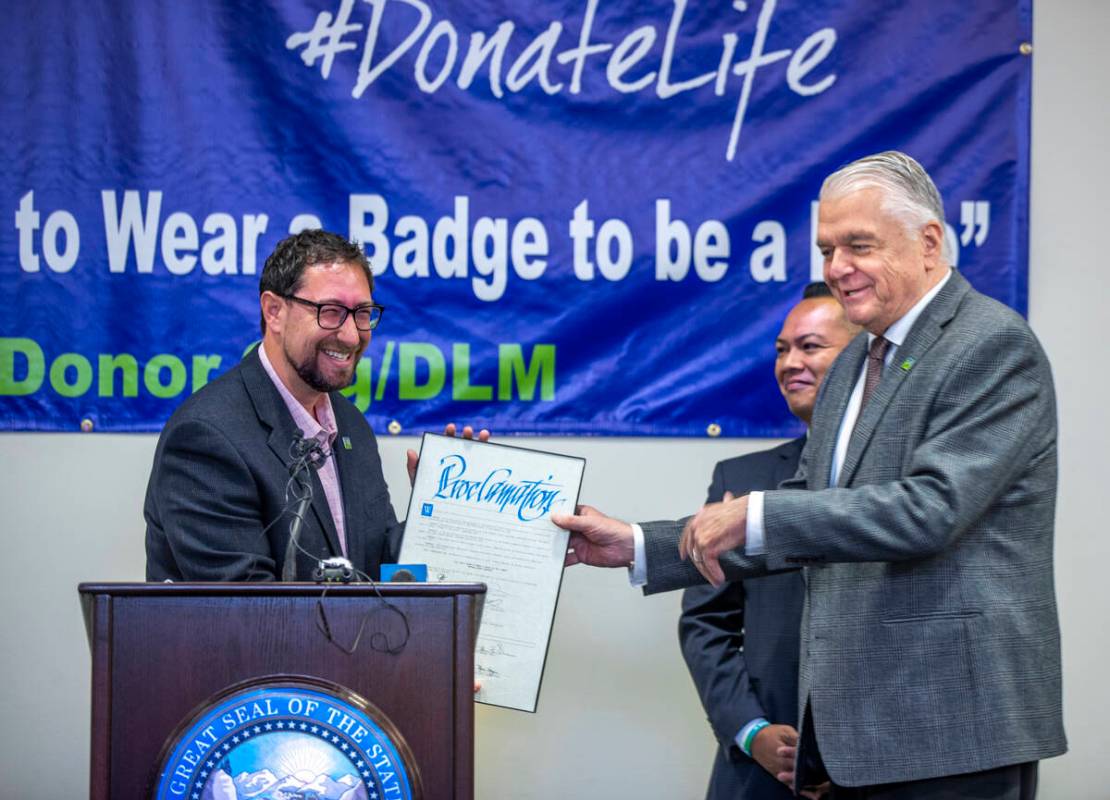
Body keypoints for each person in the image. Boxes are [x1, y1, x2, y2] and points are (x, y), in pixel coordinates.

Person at [554, 152, 1064, 798]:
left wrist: (754, 511)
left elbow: (931, 508)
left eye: (858, 245)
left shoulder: (991, 345)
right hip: (854, 740)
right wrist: (641, 544)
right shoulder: (857, 364)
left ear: (929, 242)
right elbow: (814, 508)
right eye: (826, 249)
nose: (837, 268)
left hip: (953, 735)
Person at [145, 229, 484, 581]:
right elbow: (247, 613)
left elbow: (371, 566)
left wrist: (441, 514)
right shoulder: (206, 438)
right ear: (274, 311)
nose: (352, 336)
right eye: (331, 311)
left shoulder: (348, 423)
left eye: (363, 313)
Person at [680, 282, 857, 800]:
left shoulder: (904, 486)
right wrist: (752, 731)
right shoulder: (741, 479)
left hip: (883, 770)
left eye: (810, 346)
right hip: (759, 776)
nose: (789, 363)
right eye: (782, 349)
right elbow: (704, 622)